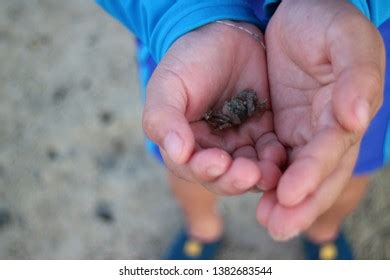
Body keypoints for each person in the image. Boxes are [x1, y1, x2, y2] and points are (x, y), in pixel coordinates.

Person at [96, 0, 390, 259]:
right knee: (187, 152)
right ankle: (201, 227)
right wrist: (178, 12)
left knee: (347, 158)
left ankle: (324, 231)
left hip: (351, 41)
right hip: (185, 36)